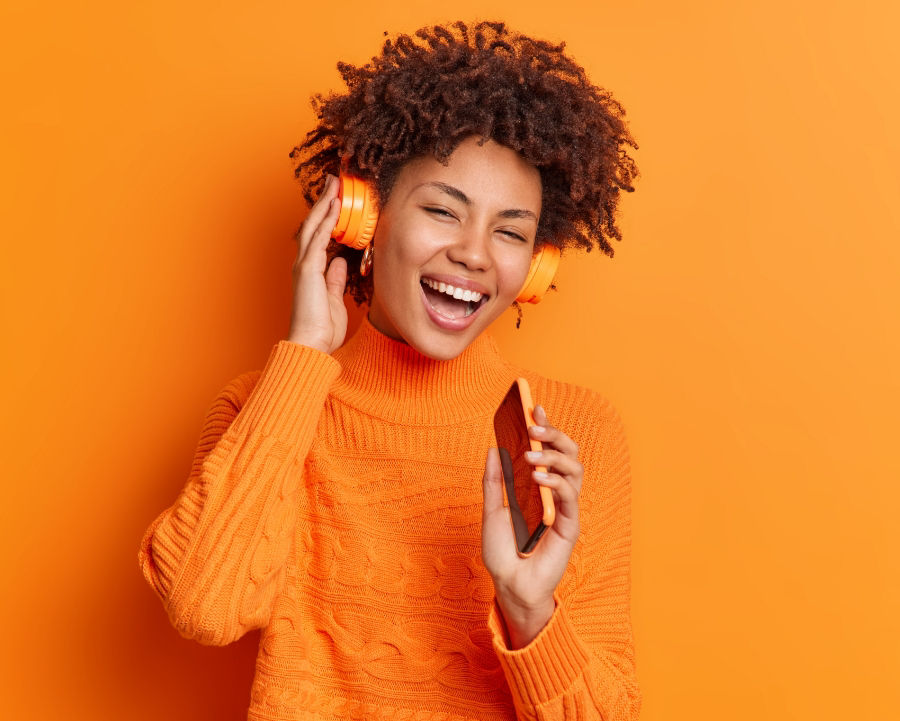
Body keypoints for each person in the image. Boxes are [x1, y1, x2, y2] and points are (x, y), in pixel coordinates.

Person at [138, 20, 641, 721]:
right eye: (442, 210)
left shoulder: (571, 435)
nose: (473, 253)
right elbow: (202, 606)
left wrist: (528, 605)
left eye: (510, 231)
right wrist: (306, 356)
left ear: (535, 265)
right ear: (365, 219)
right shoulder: (266, 407)